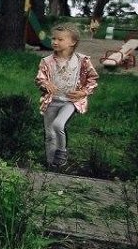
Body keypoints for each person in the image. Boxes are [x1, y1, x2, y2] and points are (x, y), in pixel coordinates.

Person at [35, 23, 98, 170]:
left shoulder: (82, 61)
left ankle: (61, 152)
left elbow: (92, 79)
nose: (55, 42)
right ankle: (51, 164)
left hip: (70, 102)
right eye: (53, 38)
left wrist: (83, 92)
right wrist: (45, 84)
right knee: (50, 134)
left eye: (60, 39)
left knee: (58, 125)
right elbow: (40, 78)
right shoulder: (47, 61)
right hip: (52, 101)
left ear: (72, 42)